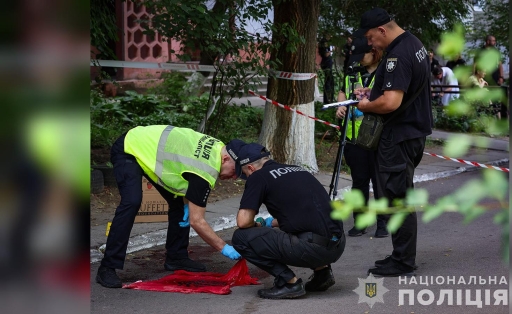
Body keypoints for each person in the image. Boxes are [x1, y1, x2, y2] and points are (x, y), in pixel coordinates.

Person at [96, 125, 242, 288]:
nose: (234, 177)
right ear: (226, 159)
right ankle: (107, 267)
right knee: (132, 201)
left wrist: (187, 202)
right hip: (129, 147)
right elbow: (197, 221)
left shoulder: (219, 148)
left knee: (179, 203)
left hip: (150, 152)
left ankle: (177, 257)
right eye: (235, 171)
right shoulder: (206, 170)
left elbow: (188, 173)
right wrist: (224, 248)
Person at [353, 8, 433, 277]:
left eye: (371, 38)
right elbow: (399, 88)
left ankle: (403, 260)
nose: (371, 44)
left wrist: (366, 105)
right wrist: (373, 91)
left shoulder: (397, 55)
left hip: (398, 136)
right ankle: (401, 253)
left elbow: (390, 102)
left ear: (383, 31)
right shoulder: (414, 44)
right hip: (412, 133)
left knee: (397, 197)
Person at [228, 140, 345, 299]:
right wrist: (269, 223)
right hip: (338, 244)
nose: (247, 178)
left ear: (250, 168)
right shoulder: (297, 169)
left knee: (240, 237)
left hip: (312, 249)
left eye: (245, 174)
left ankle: (289, 282)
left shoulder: (258, 176)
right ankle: (322, 273)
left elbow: (243, 221)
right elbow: (301, 213)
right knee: (308, 229)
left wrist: (257, 225)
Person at [335, 36, 388, 238]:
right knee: (359, 182)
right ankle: (360, 221)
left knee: (380, 181)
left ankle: (383, 222)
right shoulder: (352, 73)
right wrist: (341, 106)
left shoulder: (385, 73)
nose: (359, 60)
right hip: (353, 138)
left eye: (363, 55)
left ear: (374, 52)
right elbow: (343, 91)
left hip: (377, 138)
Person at [319, 34, 335, 104]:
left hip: (327, 63)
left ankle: (330, 98)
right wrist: (331, 50)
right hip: (326, 63)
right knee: (328, 82)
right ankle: (327, 100)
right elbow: (326, 54)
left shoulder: (327, 43)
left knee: (330, 81)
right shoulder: (323, 43)